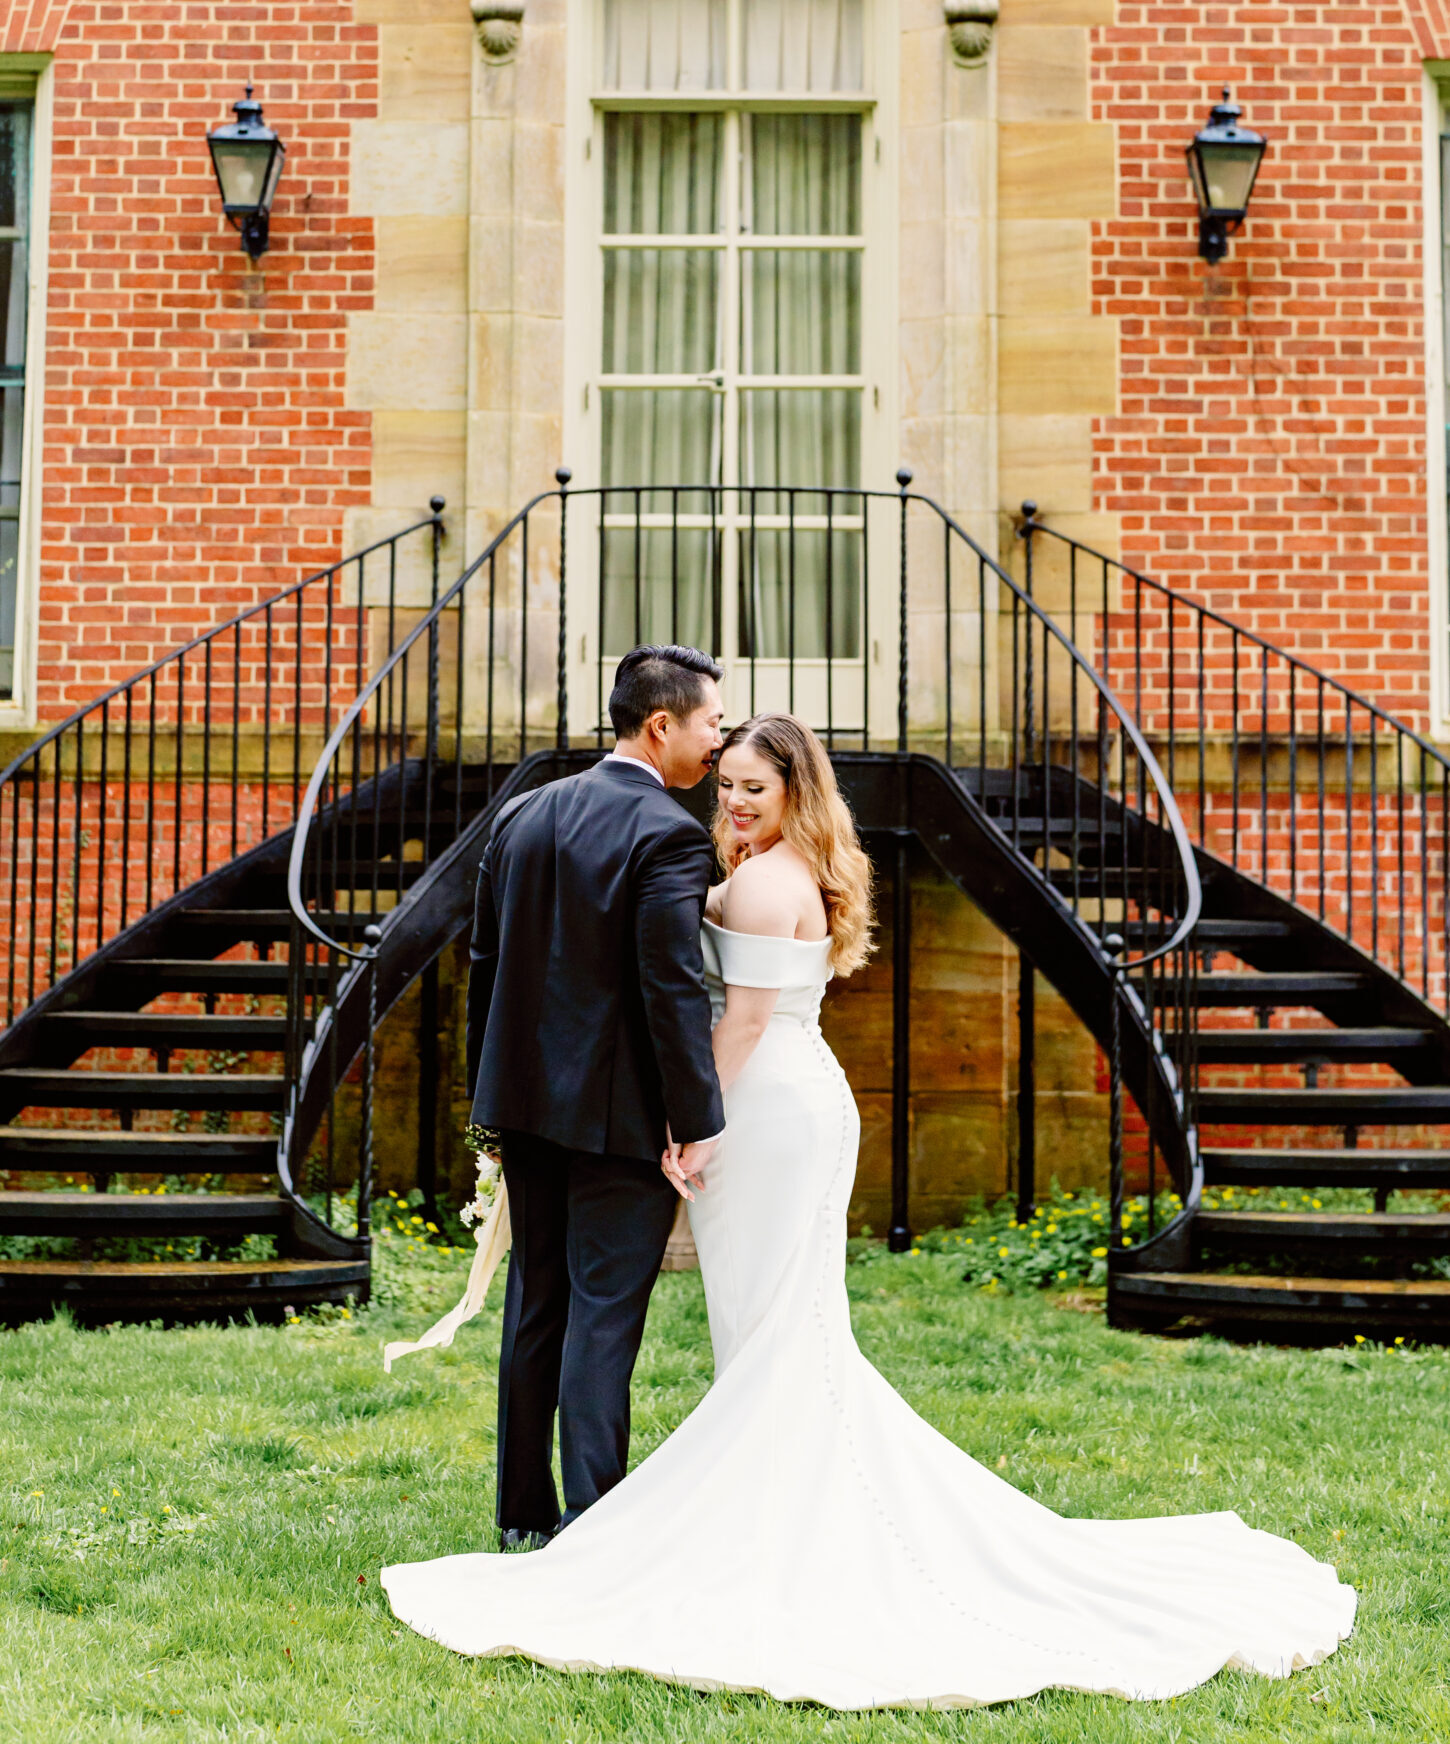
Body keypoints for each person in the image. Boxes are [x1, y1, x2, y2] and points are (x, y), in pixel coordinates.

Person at [384, 714, 1356, 1710]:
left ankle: (784, 1517)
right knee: (772, 1326)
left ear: (798, 790)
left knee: (773, 1327)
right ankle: (772, 1506)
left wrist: (690, 1125)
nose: (733, 800)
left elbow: (747, 1017)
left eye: (755, 786)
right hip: (776, 1102)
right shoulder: (769, 864)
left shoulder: (763, 880)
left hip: (763, 1109)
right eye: (725, 784)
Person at [461, 642, 725, 1549]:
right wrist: (694, 1123)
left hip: (526, 1109)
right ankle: (595, 1528)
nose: (718, 746)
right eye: (710, 726)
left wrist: (485, 1109)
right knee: (604, 1316)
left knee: (537, 1305)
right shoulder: (671, 835)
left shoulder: (525, 813)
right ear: (661, 726)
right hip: (618, 1127)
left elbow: (484, 966)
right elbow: (672, 989)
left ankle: (522, 1519)